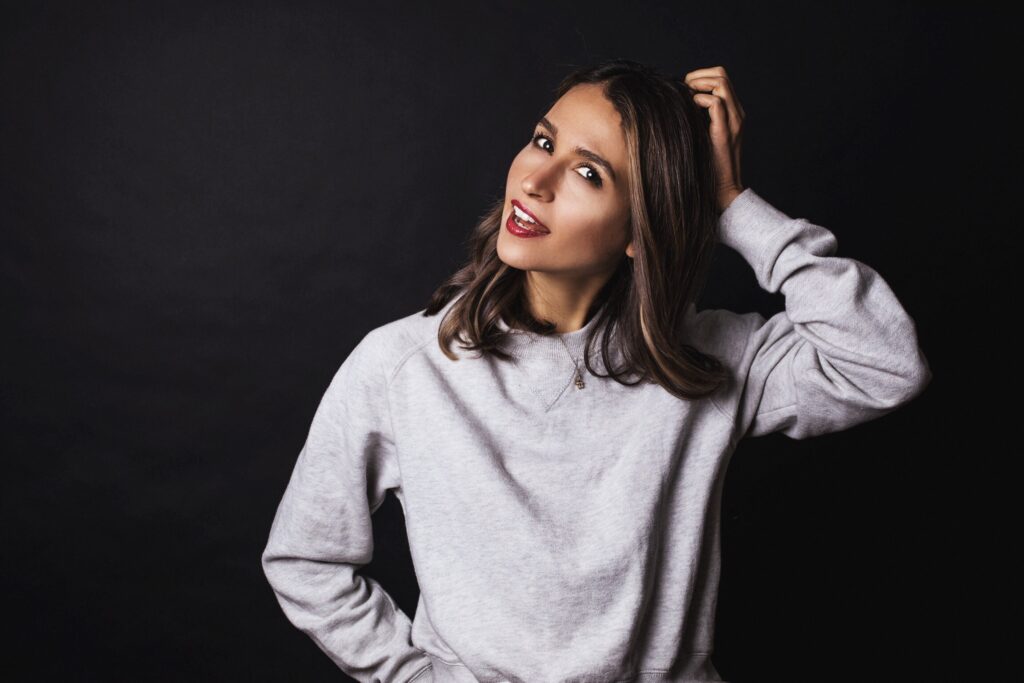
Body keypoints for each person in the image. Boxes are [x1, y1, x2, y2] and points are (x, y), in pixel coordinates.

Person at [260, 59, 932, 683]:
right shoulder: (405, 365)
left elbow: (885, 364)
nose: (535, 181)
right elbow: (305, 559)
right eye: (543, 142)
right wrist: (415, 676)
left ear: (641, 229)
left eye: (589, 174)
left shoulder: (709, 359)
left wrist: (730, 202)